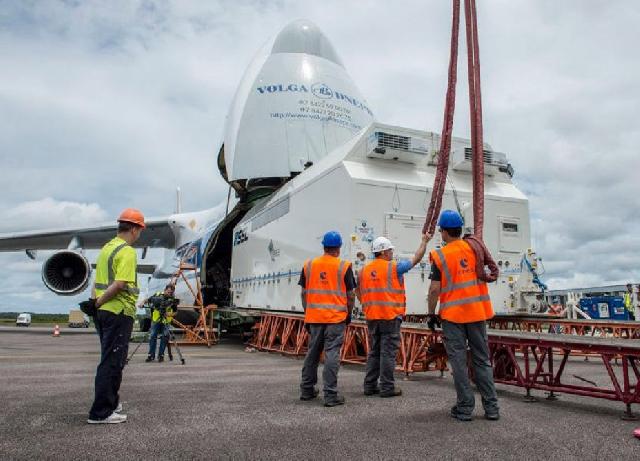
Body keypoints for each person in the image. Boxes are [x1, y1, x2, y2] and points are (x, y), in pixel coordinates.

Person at [426, 210, 499, 422]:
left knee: (458, 362)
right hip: (477, 313)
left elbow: (433, 289)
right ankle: (492, 408)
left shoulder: (440, 255)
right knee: (482, 360)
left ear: (443, 232)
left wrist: (431, 314)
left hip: (453, 317)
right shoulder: (475, 247)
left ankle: (465, 407)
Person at [87, 208, 145, 424]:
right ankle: (101, 412)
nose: (139, 235)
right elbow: (120, 284)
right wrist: (100, 302)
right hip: (118, 311)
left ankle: (111, 402)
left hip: (103, 313)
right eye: (139, 230)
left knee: (111, 359)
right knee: (112, 362)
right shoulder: (127, 251)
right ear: (135, 229)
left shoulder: (107, 249)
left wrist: (95, 303)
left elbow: (97, 282)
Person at [358, 233, 430, 397]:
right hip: (390, 316)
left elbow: (357, 290)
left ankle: (369, 386)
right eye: (390, 250)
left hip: (372, 317)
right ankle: (387, 387)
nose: (392, 253)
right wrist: (424, 242)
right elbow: (416, 259)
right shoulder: (393, 267)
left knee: (374, 352)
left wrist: (366, 304)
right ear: (383, 252)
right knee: (387, 353)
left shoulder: (363, 271)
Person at [299, 231, 356, 407]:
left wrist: (307, 312)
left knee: (312, 353)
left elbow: (303, 293)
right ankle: (330, 395)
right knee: (332, 354)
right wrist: (348, 313)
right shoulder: (344, 266)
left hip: (314, 318)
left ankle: (307, 390)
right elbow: (351, 295)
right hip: (335, 318)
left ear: (324, 246)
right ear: (338, 248)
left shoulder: (309, 265)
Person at [145, 284, 178, 363]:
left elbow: (176, 312)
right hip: (156, 320)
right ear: (165, 290)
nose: (169, 294)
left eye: (171, 293)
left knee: (165, 337)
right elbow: (148, 300)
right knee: (153, 336)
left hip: (166, 321)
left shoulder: (172, 300)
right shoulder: (157, 295)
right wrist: (142, 303)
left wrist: (169, 314)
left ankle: (161, 355)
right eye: (168, 292)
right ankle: (151, 355)